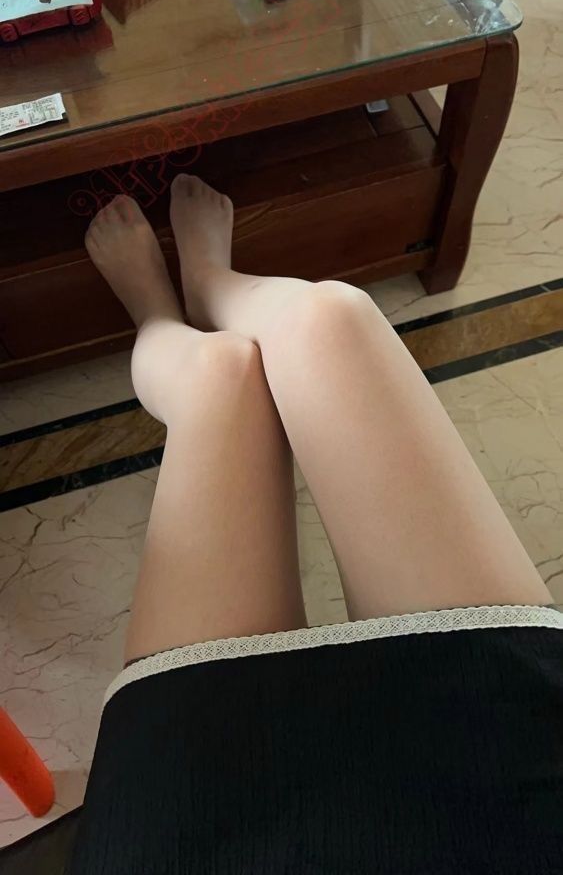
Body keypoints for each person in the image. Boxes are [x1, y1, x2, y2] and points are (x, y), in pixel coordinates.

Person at [69, 175, 563, 874]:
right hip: (510, 775)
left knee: (221, 372)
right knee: (330, 316)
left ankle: (155, 314)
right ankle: (210, 284)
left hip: (206, 823)